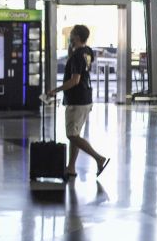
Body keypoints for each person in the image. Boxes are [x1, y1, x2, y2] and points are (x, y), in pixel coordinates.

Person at [45, 24, 110, 179]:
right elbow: (81, 68)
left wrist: (55, 90)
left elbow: (75, 80)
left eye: (72, 34)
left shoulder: (77, 56)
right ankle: (71, 167)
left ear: (77, 37)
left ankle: (98, 158)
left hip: (77, 100)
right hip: (86, 98)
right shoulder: (87, 52)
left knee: (71, 136)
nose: (70, 36)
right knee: (75, 134)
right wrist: (71, 51)